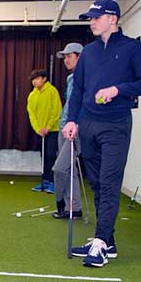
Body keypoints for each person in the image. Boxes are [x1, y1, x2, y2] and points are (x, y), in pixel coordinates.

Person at [62, 0, 141, 268]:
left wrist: (117, 90)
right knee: (98, 184)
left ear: (112, 18)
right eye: (90, 18)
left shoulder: (132, 48)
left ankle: (100, 242)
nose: (91, 22)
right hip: (88, 124)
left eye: (96, 17)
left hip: (116, 124)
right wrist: (71, 121)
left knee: (110, 182)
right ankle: (108, 241)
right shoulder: (89, 53)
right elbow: (78, 90)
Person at [51, 43, 85, 220]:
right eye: (64, 57)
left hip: (74, 130)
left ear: (80, 56)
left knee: (59, 169)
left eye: (69, 56)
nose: (66, 60)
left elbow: (82, 105)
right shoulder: (71, 78)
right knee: (70, 171)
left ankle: (60, 203)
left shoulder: (86, 77)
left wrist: (76, 125)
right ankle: (75, 208)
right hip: (62, 127)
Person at [26, 68, 61, 193]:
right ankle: (45, 182)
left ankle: (53, 182)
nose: (34, 82)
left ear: (44, 79)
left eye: (37, 78)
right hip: (40, 132)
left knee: (51, 156)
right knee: (44, 156)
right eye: (33, 80)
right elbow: (31, 114)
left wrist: (48, 127)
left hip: (53, 130)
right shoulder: (32, 95)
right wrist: (37, 129)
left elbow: (56, 111)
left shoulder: (52, 91)